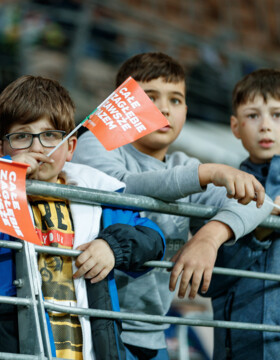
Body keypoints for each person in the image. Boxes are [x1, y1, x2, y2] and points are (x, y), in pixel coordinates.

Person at [71, 52, 273, 359]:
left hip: (154, 333)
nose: (164, 108)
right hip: (89, 325)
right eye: (149, 97)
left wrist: (209, 237)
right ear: (121, 104)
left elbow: (259, 202)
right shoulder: (95, 143)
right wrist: (207, 173)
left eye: (176, 100)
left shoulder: (184, 165)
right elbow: (121, 186)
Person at [0, 75, 166, 360]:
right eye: (21, 136)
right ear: (0, 149)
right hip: (8, 347)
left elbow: (153, 237)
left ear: (70, 148)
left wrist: (113, 247)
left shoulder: (99, 194)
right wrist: (6, 178)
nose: (37, 147)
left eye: (51, 135)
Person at [206, 68, 280, 360]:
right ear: (235, 127)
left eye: (277, 114)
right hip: (236, 343)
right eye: (253, 115)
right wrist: (260, 230)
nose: (265, 126)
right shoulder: (220, 190)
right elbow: (211, 280)